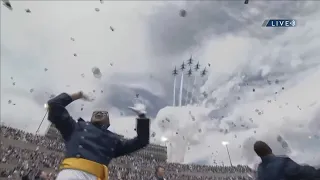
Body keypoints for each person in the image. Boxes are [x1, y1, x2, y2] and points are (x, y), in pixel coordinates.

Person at [47, 91, 150, 180]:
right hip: (71, 174)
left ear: (108, 123)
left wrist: (142, 116)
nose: (100, 113)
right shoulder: (75, 128)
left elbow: (142, 141)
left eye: (104, 113)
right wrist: (79, 94)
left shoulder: (113, 140)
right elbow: (54, 105)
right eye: (97, 112)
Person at [254, 140, 320, 180]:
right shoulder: (283, 163)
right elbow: (305, 173)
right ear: (269, 148)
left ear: (258, 154)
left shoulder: (260, 170)